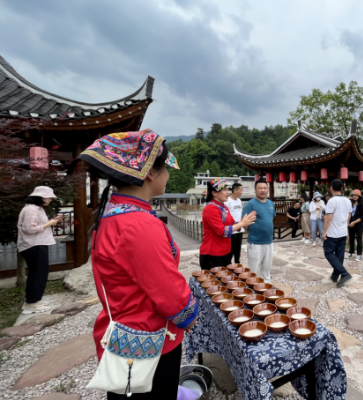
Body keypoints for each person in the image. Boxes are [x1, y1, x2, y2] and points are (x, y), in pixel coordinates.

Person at [73, 129, 198, 399]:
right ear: (150, 173)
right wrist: (191, 314)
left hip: (122, 324)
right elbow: (168, 292)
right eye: (165, 168)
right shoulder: (139, 224)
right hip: (148, 337)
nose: (167, 175)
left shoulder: (114, 214)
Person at [17, 186, 63, 314]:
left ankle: (35, 300)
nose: (50, 200)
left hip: (37, 244)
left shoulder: (36, 209)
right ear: (40, 197)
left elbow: (35, 226)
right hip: (33, 245)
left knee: (39, 273)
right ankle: (31, 303)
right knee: (38, 274)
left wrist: (52, 221)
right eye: (48, 197)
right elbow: (29, 229)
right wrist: (50, 223)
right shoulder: (31, 209)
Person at [201, 179, 256, 270]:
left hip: (225, 251)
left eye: (228, 189)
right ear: (214, 193)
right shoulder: (210, 208)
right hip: (212, 253)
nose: (228, 192)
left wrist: (245, 221)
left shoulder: (224, 206)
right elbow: (222, 231)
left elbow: (232, 222)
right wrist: (242, 223)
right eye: (225, 190)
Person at [243, 180, 276, 282]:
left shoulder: (270, 203)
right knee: (252, 269)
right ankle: (250, 287)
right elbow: (244, 223)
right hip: (255, 242)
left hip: (269, 241)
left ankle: (267, 285)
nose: (263, 190)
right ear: (255, 190)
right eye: (260, 188)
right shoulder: (250, 204)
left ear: (268, 190)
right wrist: (253, 232)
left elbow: (271, 218)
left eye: (265, 188)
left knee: (266, 268)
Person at [322, 179, 353, 286]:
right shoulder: (348, 201)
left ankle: (344, 273)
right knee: (339, 255)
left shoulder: (332, 201)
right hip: (343, 232)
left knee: (328, 253)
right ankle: (335, 275)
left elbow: (328, 218)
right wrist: (346, 227)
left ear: (331, 188)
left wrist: (324, 232)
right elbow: (349, 216)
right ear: (342, 188)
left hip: (332, 232)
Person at [226, 183, 245, 264]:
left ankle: (237, 264)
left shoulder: (239, 201)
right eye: (240, 190)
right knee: (231, 249)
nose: (242, 192)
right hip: (232, 229)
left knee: (238, 249)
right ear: (235, 190)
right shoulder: (228, 201)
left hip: (240, 228)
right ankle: (228, 265)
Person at [346, 189, 363, 262]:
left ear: (359, 196)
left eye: (356, 195)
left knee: (359, 239)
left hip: (358, 224)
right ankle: (351, 252)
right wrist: (348, 222)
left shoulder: (362, 204)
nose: (354, 197)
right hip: (350, 223)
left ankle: (359, 254)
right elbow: (348, 213)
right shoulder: (351, 203)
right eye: (353, 195)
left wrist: (354, 222)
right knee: (351, 239)